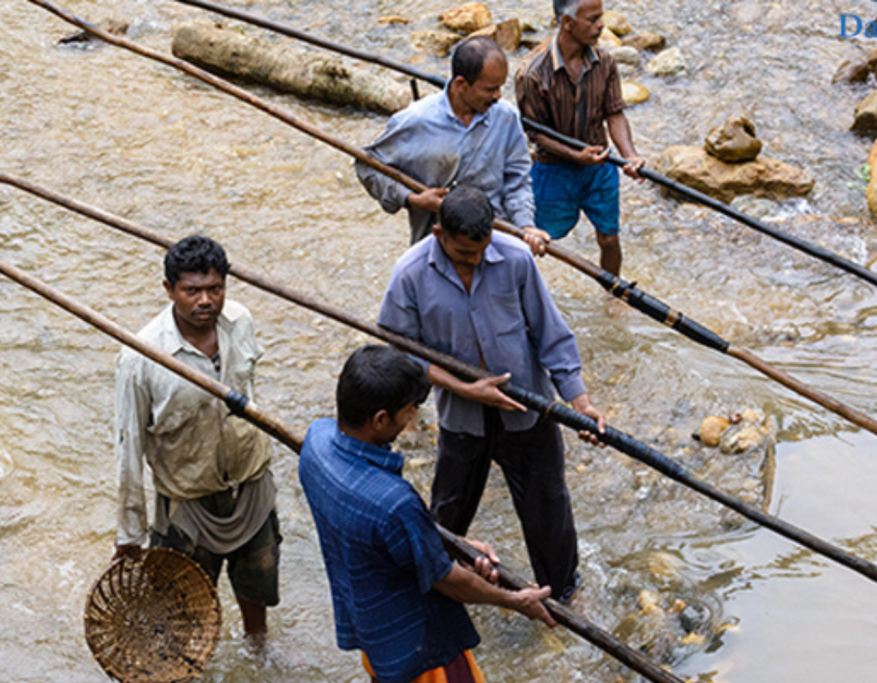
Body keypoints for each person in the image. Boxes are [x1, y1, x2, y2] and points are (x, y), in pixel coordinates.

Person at [377, 185, 606, 604]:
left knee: (549, 514)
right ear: (438, 234)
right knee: (446, 516)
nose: (476, 261)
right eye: (465, 254)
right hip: (462, 419)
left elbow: (550, 333)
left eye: (482, 251)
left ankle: (564, 598)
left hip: (527, 410)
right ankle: (437, 590)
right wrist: (465, 388)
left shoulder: (515, 258)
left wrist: (580, 401)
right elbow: (400, 352)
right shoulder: (409, 273)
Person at [300, 344, 555, 683]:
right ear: (380, 419)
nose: (412, 419)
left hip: (375, 632)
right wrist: (513, 600)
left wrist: (445, 543)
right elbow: (445, 579)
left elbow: (389, 537)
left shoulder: (316, 440)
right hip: (421, 648)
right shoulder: (394, 503)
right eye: (409, 411)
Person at [114, 235, 279, 644]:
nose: (205, 300)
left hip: (249, 486)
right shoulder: (141, 356)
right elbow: (129, 447)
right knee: (179, 614)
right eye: (192, 291)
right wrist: (130, 535)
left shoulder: (240, 321)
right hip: (187, 500)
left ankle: (258, 653)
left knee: (256, 590)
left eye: (214, 289)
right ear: (169, 290)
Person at [356, 35, 547, 250]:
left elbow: (517, 181)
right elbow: (368, 166)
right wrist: (411, 198)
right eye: (490, 89)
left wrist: (525, 226)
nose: (498, 96)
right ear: (461, 84)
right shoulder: (416, 121)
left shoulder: (506, 117)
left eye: (501, 87)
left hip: (495, 242)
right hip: (437, 244)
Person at [515, 0, 646, 276]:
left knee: (609, 237)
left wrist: (629, 155)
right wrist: (575, 155)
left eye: (601, 17)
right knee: (535, 239)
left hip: (600, 166)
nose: (601, 26)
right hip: (553, 169)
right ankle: (518, 290)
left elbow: (615, 114)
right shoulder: (532, 74)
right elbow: (535, 132)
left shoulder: (605, 62)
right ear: (567, 23)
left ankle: (613, 294)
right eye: (593, 19)